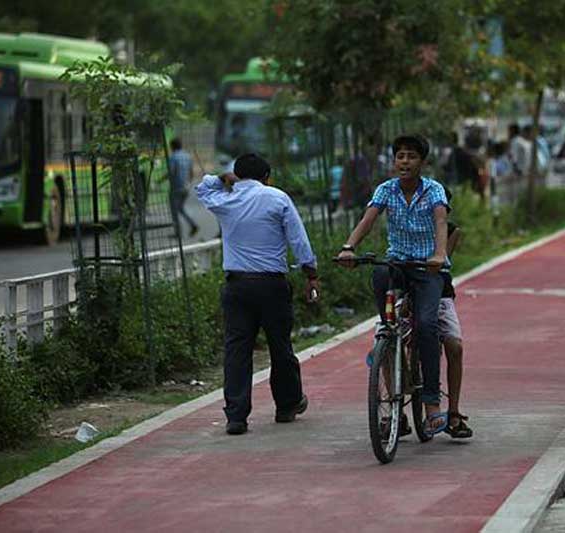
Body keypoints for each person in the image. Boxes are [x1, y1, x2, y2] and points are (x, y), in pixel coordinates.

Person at [196, 153, 319, 435]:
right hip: (272, 286)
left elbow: (203, 188)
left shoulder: (224, 201)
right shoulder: (278, 198)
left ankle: (236, 417)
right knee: (280, 346)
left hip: (237, 286)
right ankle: (287, 405)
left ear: (237, 175)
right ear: (267, 177)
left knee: (237, 350)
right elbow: (298, 239)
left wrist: (222, 178)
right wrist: (311, 274)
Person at [337, 134, 450, 436]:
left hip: (427, 268)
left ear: (422, 162)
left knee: (427, 325)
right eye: (400, 156)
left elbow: (441, 222)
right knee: (380, 279)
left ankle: (431, 403)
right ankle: (389, 331)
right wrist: (348, 247)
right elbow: (368, 219)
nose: (405, 162)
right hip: (397, 264)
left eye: (411, 156)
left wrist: (439, 254)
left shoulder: (434, 190)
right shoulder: (386, 189)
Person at [439, 189, 472, 439]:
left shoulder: (451, 231)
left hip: (439, 291)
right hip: (405, 289)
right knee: (383, 343)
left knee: (455, 346)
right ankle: (390, 413)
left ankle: (453, 411)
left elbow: (443, 262)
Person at [168, 138, 199, 237]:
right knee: (180, 208)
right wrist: (188, 184)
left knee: (174, 210)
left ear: (172, 146)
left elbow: (172, 172)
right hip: (186, 187)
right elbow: (191, 173)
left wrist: (161, 180)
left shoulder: (173, 157)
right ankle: (193, 225)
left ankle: (178, 232)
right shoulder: (187, 156)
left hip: (176, 187)